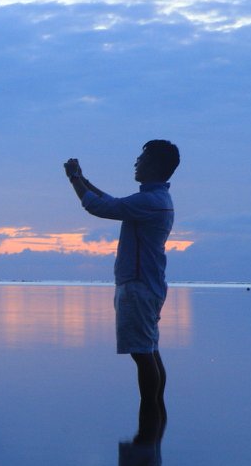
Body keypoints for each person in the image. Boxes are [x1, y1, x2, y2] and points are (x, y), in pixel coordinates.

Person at [63, 141, 179, 409]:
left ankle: (150, 412)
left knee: (143, 354)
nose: (136, 162)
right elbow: (113, 203)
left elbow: (98, 207)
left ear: (154, 165)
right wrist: (83, 178)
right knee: (148, 351)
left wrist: (74, 179)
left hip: (138, 286)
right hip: (148, 285)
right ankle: (154, 417)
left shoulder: (150, 201)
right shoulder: (155, 199)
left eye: (142, 157)